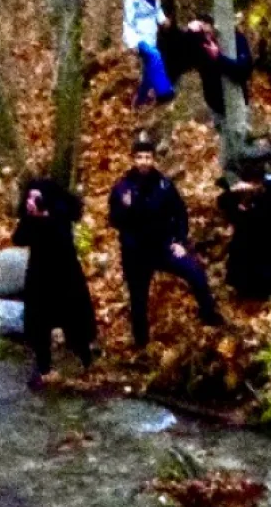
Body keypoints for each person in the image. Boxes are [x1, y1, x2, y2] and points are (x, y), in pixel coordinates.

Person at [108, 134, 223, 347]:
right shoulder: (122, 187)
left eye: (147, 157)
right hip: (136, 252)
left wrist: (179, 240)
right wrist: (126, 207)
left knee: (195, 273)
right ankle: (141, 343)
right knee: (138, 299)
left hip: (163, 246)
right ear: (133, 159)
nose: (144, 161)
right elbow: (114, 220)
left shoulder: (164, 184)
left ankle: (209, 317)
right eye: (140, 157)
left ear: (153, 159)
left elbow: (180, 213)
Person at [13, 176, 97, 387]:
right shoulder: (31, 218)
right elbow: (18, 238)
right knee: (39, 324)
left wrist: (45, 217)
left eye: (37, 197)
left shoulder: (61, 214)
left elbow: (62, 240)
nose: (32, 201)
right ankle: (43, 368)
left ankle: (86, 361)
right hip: (39, 277)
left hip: (65, 276)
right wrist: (33, 217)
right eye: (29, 197)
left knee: (75, 321)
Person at [217, 159, 271, 300]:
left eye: (257, 183)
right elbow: (229, 211)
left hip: (270, 242)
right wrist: (243, 202)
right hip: (245, 244)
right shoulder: (238, 196)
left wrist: (253, 206)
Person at [185, 16, 253, 131]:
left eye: (209, 31)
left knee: (241, 141)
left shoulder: (238, 39)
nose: (207, 35)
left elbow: (244, 71)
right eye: (203, 31)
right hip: (216, 108)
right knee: (225, 142)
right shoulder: (200, 44)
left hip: (237, 105)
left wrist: (219, 58)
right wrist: (189, 33)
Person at [122, 0, 174, 107]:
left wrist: (163, 21)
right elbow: (128, 22)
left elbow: (157, 12)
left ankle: (139, 100)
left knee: (149, 70)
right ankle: (164, 92)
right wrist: (133, 43)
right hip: (138, 38)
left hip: (151, 36)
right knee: (155, 56)